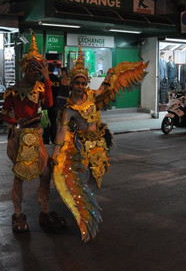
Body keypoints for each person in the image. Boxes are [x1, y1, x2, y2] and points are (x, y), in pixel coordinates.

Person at [52, 45, 148, 241]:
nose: (80, 86)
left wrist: (115, 73)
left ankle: (86, 204)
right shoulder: (69, 109)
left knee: (94, 180)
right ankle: (83, 211)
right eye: (77, 83)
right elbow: (62, 131)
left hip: (99, 145)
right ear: (71, 84)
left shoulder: (93, 95)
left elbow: (108, 86)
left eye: (83, 83)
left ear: (87, 83)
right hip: (83, 146)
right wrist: (55, 152)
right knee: (82, 179)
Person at [0, 33, 63, 233]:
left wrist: (47, 79)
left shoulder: (40, 87)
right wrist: (16, 122)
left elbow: (49, 105)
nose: (35, 72)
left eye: (38, 68)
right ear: (24, 68)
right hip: (18, 137)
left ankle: (45, 210)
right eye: (33, 68)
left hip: (35, 135)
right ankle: (18, 214)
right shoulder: (12, 90)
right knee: (19, 176)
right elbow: (4, 114)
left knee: (45, 173)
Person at [42, 63, 60, 144]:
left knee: (45, 121)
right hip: (55, 103)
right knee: (53, 122)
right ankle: (53, 138)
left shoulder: (44, 80)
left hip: (45, 103)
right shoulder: (57, 79)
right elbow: (59, 92)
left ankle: (46, 139)